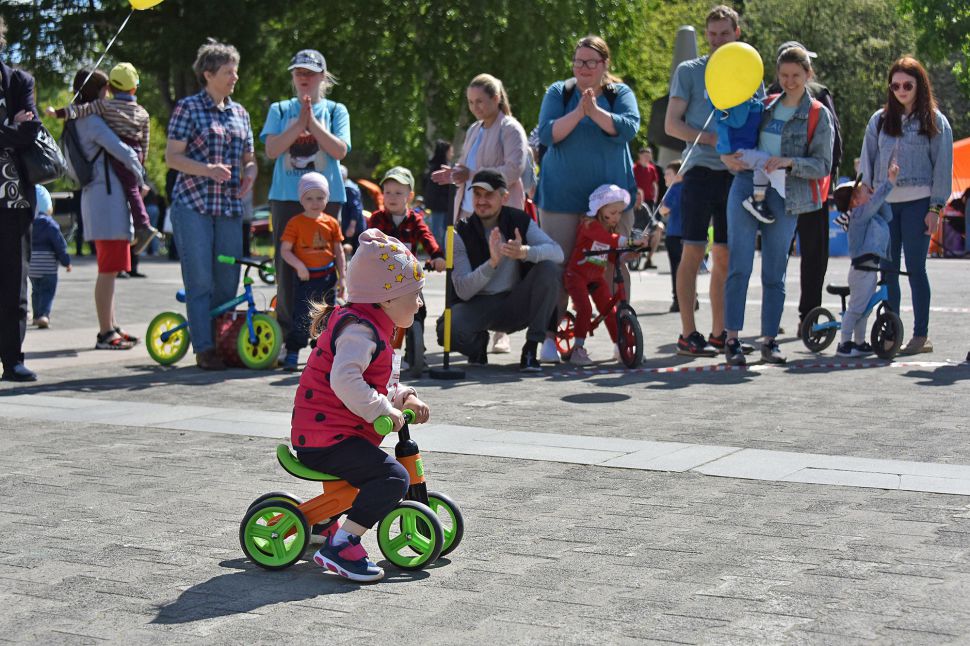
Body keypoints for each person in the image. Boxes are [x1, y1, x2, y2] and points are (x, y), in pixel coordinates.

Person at [291, 228, 429, 583]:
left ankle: (324, 523)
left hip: (336, 434)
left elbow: (379, 384)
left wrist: (404, 397)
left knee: (375, 474)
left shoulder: (376, 327)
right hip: (324, 438)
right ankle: (342, 544)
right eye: (414, 294)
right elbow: (345, 381)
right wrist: (381, 410)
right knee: (391, 477)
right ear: (387, 298)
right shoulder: (359, 332)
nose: (419, 303)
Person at [721, 46, 834, 366]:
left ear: (808, 75)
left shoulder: (817, 114)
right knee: (739, 265)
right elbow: (733, 133)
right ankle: (732, 339)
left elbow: (823, 165)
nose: (789, 81)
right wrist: (726, 156)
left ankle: (770, 341)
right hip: (746, 184)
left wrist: (789, 162)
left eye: (796, 75)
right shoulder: (765, 105)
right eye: (783, 75)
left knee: (775, 270)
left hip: (786, 192)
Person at [535, 35, 640, 363]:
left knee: (613, 265)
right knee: (560, 267)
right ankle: (550, 337)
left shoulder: (619, 94)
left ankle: (621, 337)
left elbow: (628, 128)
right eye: (579, 61)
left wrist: (595, 112)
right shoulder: (559, 92)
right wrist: (579, 112)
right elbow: (547, 134)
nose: (583, 67)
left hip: (611, 202)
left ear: (605, 64)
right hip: (561, 199)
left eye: (591, 62)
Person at [165, 40, 257, 370]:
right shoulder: (187, 108)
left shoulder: (240, 113)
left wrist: (250, 173)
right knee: (200, 280)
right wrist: (207, 170)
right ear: (208, 74)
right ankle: (204, 348)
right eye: (228, 72)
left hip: (229, 208)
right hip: (193, 206)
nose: (235, 77)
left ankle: (222, 343)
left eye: (235, 71)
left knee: (228, 281)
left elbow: (249, 158)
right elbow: (172, 157)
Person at [664, 5, 746, 357]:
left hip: (735, 174)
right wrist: (715, 141)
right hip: (698, 171)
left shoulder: (748, 69)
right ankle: (688, 333)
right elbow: (672, 125)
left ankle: (719, 333)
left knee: (724, 255)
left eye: (724, 34)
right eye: (711, 34)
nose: (717, 41)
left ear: (736, 34)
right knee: (693, 251)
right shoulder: (689, 71)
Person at [859, 56, 953, 356]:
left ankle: (920, 335)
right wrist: (866, 195)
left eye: (907, 85)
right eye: (895, 85)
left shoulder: (935, 121)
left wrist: (935, 209)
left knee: (915, 269)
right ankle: (890, 333)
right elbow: (867, 161)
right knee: (887, 271)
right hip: (885, 205)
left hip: (919, 204)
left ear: (920, 85)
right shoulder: (879, 120)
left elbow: (942, 168)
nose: (901, 90)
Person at [430, 74, 529, 357]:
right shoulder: (474, 129)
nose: (476, 107)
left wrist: (470, 174)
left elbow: (514, 169)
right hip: (469, 212)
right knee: (471, 271)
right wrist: (454, 174)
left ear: (496, 99)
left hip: (500, 213)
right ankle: (472, 328)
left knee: (501, 270)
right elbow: (465, 169)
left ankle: (501, 333)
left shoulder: (510, 128)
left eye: (481, 101)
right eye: (471, 102)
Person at [262, 49, 351, 358]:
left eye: (310, 73)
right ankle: (289, 337)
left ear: (322, 77)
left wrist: (311, 122)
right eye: (298, 72)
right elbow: (272, 149)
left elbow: (339, 151)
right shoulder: (279, 109)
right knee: (288, 271)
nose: (304, 77)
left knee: (325, 270)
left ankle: (323, 339)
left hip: (327, 200)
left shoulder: (336, 110)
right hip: (287, 199)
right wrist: (297, 122)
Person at [435, 170, 563, 372]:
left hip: (516, 302)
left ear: (504, 197)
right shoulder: (459, 232)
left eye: (489, 195)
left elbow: (558, 253)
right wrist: (492, 263)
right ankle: (478, 344)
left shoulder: (519, 220)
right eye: (477, 194)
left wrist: (525, 252)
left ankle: (531, 347)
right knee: (447, 331)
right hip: (477, 303)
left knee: (549, 269)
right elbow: (463, 291)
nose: (481, 201)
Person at [48, 62, 160, 254]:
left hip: (105, 186)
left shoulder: (102, 108)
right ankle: (143, 225)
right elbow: (138, 145)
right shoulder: (140, 112)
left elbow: (78, 110)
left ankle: (142, 226)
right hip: (118, 179)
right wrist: (141, 170)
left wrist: (57, 113)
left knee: (112, 259)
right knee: (133, 190)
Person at [70, 69, 146, 351]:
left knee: (111, 269)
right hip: (107, 202)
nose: (110, 94)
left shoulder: (80, 119)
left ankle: (111, 325)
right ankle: (105, 332)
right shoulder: (91, 121)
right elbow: (122, 151)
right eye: (107, 88)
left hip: (103, 200)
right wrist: (140, 176)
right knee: (108, 269)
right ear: (98, 91)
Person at [365, 166, 445, 372]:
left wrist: (436, 255)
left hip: (409, 279)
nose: (392, 197)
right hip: (382, 279)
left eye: (398, 193)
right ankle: (373, 353)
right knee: (373, 313)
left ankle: (416, 352)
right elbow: (368, 242)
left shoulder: (414, 220)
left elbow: (426, 236)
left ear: (409, 196)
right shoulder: (377, 219)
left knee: (419, 309)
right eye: (388, 192)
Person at [564, 185, 649, 366]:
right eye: (613, 212)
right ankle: (577, 349)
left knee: (611, 311)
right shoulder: (590, 226)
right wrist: (631, 241)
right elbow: (608, 240)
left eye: (620, 213)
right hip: (576, 275)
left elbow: (612, 255)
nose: (617, 217)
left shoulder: (610, 230)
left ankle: (620, 346)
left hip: (595, 277)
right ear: (600, 210)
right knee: (585, 309)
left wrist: (629, 254)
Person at [0, 18, 40, 381]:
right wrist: (10, 127)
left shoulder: (19, 81)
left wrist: (14, 129)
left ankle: (12, 359)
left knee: (14, 283)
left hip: (14, 199)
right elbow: (17, 132)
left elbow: (30, 132)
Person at [279, 172, 345, 371]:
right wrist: (299, 265)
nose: (315, 202)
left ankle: (322, 357)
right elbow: (285, 250)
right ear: (301, 199)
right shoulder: (295, 223)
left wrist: (343, 278)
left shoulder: (331, 222)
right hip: (305, 279)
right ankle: (292, 351)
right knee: (301, 316)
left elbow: (339, 252)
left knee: (326, 318)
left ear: (327, 198)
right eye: (309, 198)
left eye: (320, 197)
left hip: (327, 278)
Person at [831, 162, 898, 357]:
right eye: (864, 192)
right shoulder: (858, 215)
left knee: (865, 310)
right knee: (856, 309)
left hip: (869, 270)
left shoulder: (870, 215)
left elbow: (888, 214)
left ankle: (859, 342)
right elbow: (873, 204)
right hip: (861, 271)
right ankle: (844, 343)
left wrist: (877, 196)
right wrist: (888, 183)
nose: (870, 194)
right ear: (855, 201)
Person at [713, 93, 785, 225]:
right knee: (766, 161)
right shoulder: (727, 103)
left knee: (762, 163)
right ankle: (758, 201)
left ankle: (757, 200)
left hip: (748, 147)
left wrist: (753, 101)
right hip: (736, 151)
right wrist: (746, 100)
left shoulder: (751, 99)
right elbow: (738, 120)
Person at [29, 185, 71, 328]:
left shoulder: (29, 223)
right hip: (47, 266)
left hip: (32, 265)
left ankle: (36, 316)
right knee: (47, 291)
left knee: (36, 291)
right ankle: (44, 315)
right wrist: (66, 262)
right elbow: (60, 245)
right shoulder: (50, 225)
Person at [658, 160, 691, 313]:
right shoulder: (689, 188)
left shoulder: (673, 189)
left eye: (668, 174)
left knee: (676, 270)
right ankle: (692, 298)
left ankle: (678, 300)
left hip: (674, 234)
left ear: (678, 175)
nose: (665, 177)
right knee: (689, 269)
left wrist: (661, 207)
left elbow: (664, 210)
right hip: (689, 234)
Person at [422, 139, 453, 246]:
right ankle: (439, 253)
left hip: (441, 206)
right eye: (450, 151)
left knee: (443, 232)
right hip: (440, 206)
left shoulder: (433, 166)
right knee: (439, 233)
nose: (452, 154)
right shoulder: (440, 169)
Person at [631, 188, 664, 269]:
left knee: (657, 233)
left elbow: (652, 221)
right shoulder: (629, 210)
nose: (639, 201)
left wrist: (658, 224)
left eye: (640, 199)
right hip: (631, 235)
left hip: (644, 234)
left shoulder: (644, 207)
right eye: (637, 199)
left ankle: (648, 260)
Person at [339, 164, 365, 255]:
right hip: (346, 225)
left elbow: (356, 208)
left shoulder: (350, 189)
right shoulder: (342, 187)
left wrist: (352, 226)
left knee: (356, 252)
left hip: (354, 227)